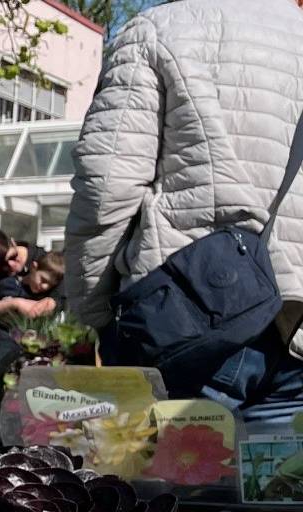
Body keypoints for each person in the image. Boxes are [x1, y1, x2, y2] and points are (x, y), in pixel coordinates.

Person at [65, 0, 303, 418]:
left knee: (171, 478)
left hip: (186, 330)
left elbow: (105, 188)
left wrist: (96, 312)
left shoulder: (159, 30)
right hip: (295, 333)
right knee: (280, 483)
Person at [0, 228, 55, 321]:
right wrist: (15, 304)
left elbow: (62, 297)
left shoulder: (44, 261)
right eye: (3, 265)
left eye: (13, 256)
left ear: (13, 242)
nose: (11, 265)